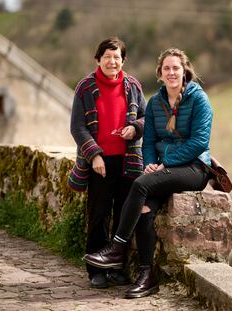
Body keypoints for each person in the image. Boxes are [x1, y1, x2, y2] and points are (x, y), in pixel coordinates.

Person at [83, 47, 213, 298]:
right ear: (160, 73)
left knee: (140, 185)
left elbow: (199, 142)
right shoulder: (155, 102)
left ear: (184, 71)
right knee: (144, 208)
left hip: (194, 168)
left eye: (176, 68)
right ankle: (146, 276)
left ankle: (116, 247)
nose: (172, 72)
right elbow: (150, 140)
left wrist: (165, 164)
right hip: (163, 169)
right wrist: (150, 165)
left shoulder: (199, 99)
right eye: (167, 68)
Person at [68, 37, 146, 288]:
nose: (112, 61)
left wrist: (135, 128)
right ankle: (95, 271)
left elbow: (146, 118)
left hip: (128, 162)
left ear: (123, 60)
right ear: (98, 59)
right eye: (107, 57)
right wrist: (95, 155)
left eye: (117, 57)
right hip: (99, 162)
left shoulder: (133, 85)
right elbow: (77, 127)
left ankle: (115, 268)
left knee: (123, 216)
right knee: (99, 215)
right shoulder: (85, 87)